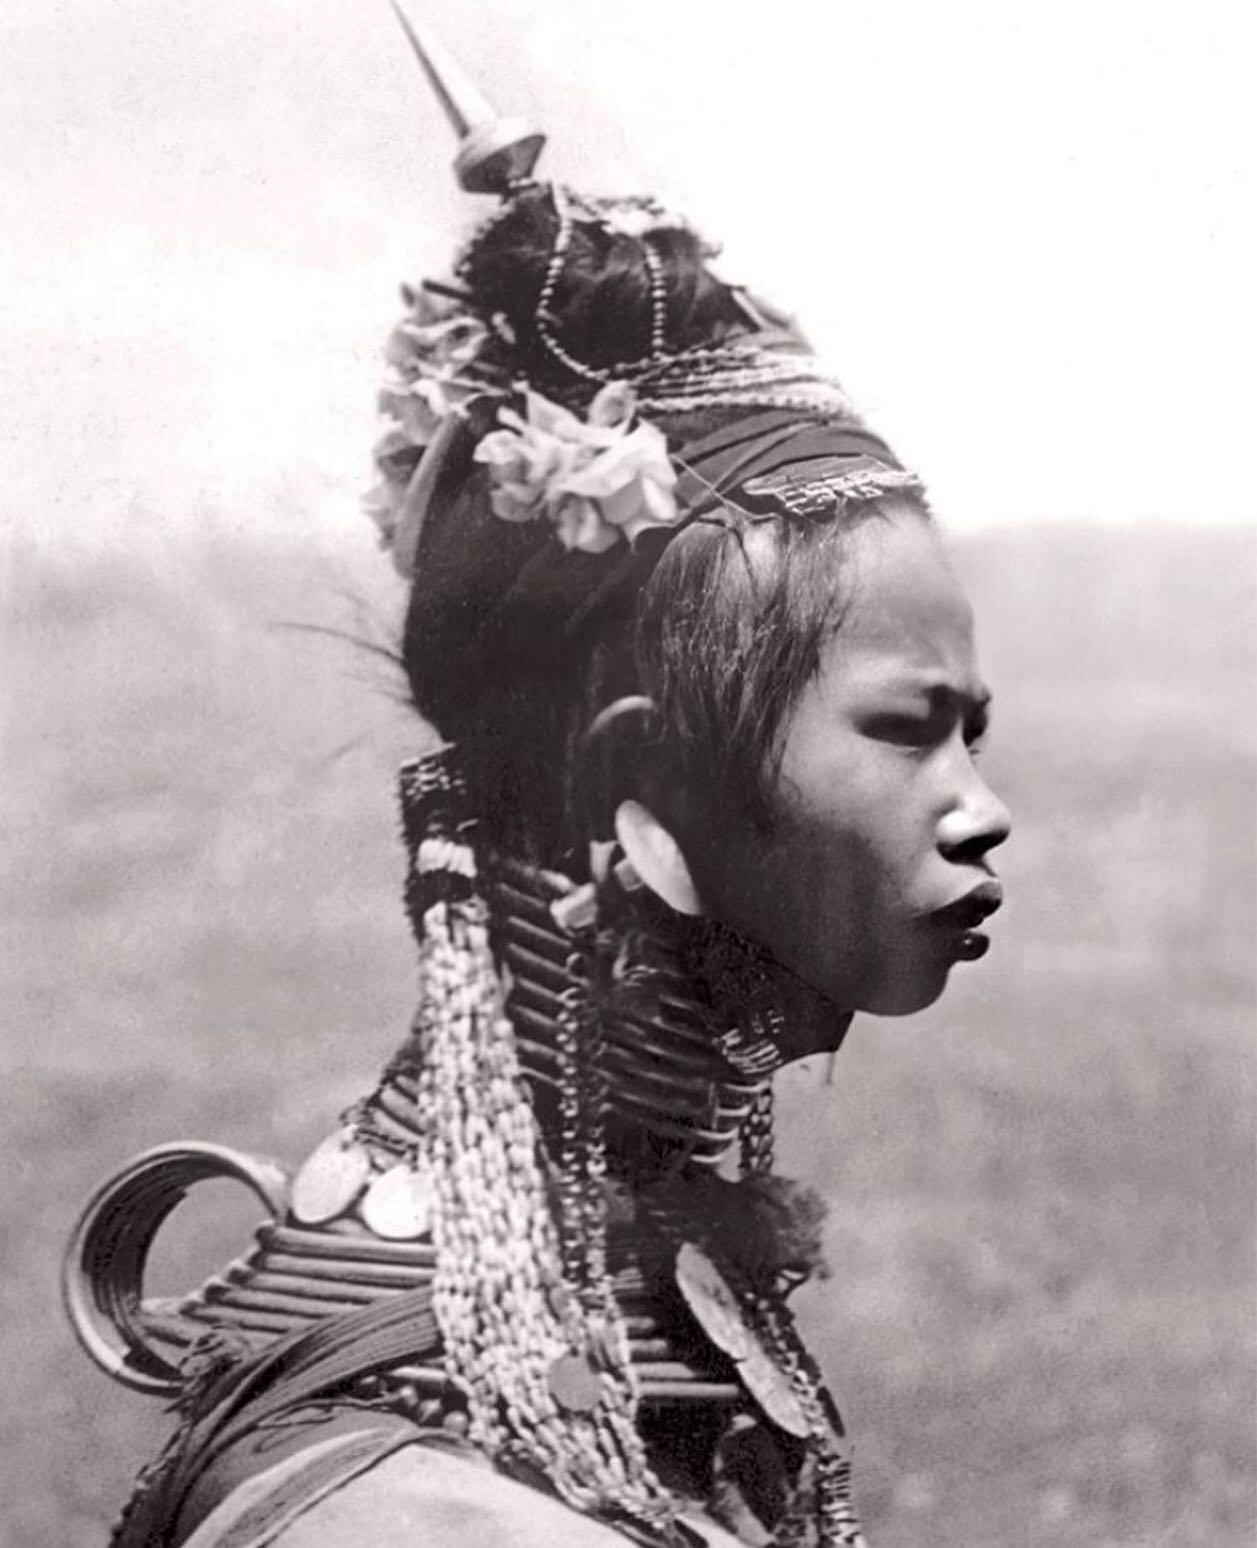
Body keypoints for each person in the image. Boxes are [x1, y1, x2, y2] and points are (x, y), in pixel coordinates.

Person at [64, 11, 1010, 1546]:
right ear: (642, 790)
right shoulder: (414, 1514)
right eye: (906, 730)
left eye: (975, 729)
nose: (979, 803)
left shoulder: (580, 1344)